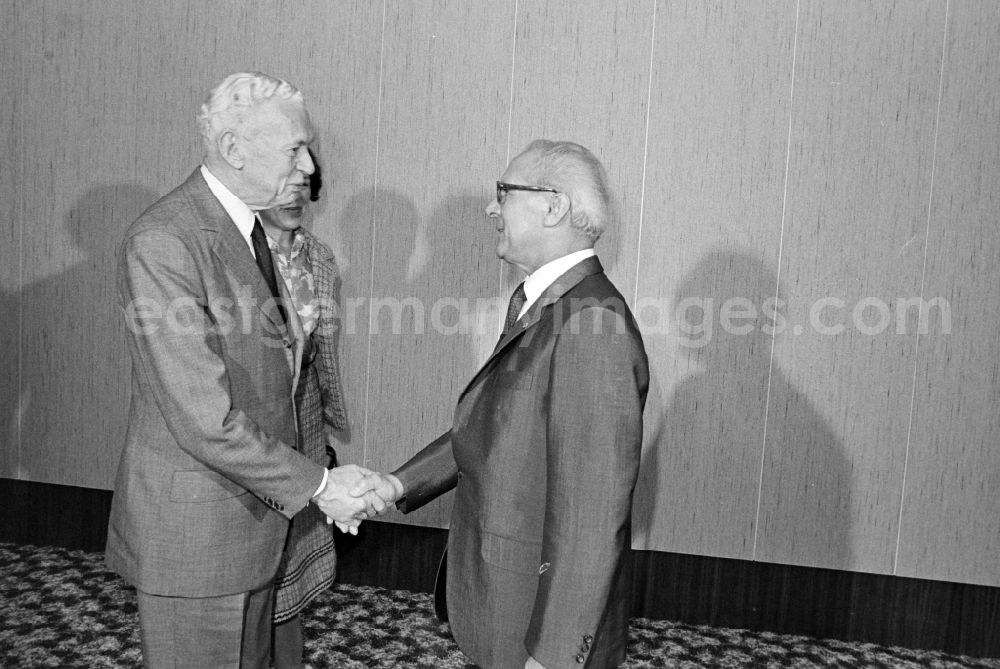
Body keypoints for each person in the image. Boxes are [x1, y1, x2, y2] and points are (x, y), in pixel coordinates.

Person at [105, 71, 381, 669]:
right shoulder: (164, 241)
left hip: (251, 524)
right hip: (197, 539)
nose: (309, 165)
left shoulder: (248, 227)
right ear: (233, 151)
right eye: (294, 148)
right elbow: (205, 419)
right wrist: (321, 486)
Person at [353, 140, 650, 669]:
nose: (492, 208)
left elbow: (592, 513)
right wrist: (400, 482)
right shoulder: (546, 306)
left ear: (553, 206)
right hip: (504, 597)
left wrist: (553, 656)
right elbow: (498, 424)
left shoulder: (591, 324)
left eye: (504, 193)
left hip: (537, 625)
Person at [260, 167, 348, 669]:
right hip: (257, 422)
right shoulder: (235, 255)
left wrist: (325, 418)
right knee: (258, 557)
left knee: (291, 562)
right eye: (281, 182)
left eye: (302, 187)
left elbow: (322, 348)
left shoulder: (316, 253)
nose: (294, 196)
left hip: (305, 414)